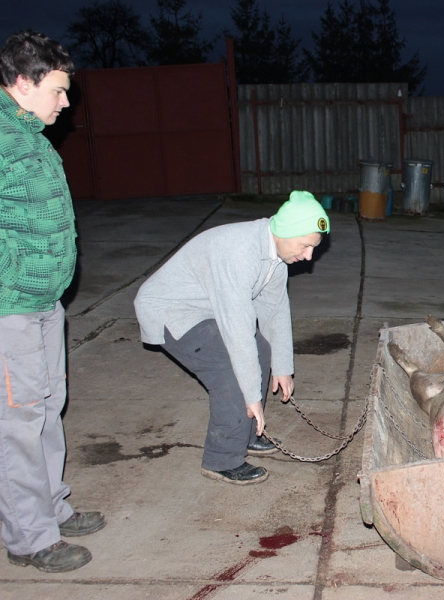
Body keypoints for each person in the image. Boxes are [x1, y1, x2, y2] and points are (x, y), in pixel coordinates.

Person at [0, 30, 106, 573]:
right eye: (58, 90)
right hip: (10, 307)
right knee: (17, 424)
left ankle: (51, 507)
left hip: (44, 301)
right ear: (23, 82)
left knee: (46, 409)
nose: (66, 102)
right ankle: (28, 537)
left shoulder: (31, 135)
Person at [134, 191, 328, 485]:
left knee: (262, 351)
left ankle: (247, 434)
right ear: (285, 232)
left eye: (314, 247)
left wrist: (282, 367)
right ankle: (222, 460)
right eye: (305, 245)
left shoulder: (276, 255)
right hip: (170, 310)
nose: (309, 256)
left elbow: (275, 310)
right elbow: (237, 331)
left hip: (205, 307)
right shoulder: (240, 253)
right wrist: (251, 395)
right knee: (231, 371)